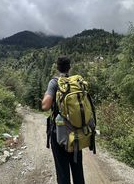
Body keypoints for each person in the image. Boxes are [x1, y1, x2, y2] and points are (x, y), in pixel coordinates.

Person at [42, 56, 85, 184]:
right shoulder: (76, 82)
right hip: (77, 131)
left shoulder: (54, 82)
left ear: (57, 67)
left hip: (60, 133)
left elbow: (45, 106)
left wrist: (46, 95)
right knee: (78, 170)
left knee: (62, 172)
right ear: (69, 67)